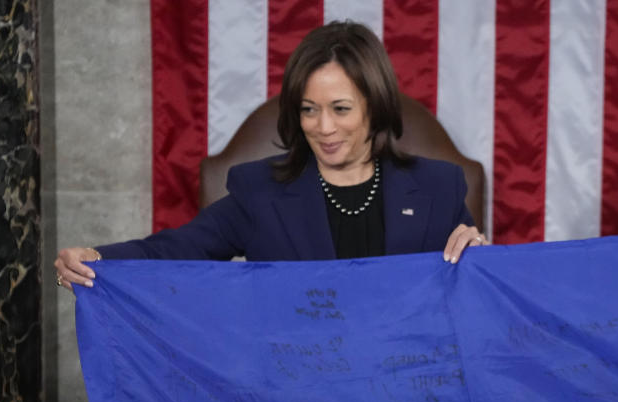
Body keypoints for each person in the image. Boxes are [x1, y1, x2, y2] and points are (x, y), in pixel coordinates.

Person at [54, 21, 486, 291]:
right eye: (308, 110)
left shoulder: (438, 187)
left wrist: (480, 258)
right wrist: (99, 258)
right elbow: (177, 249)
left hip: (409, 395)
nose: (324, 127)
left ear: (375, 107)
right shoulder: (259, 192)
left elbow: (478, 293)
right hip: (296, 399)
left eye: (340, 109)